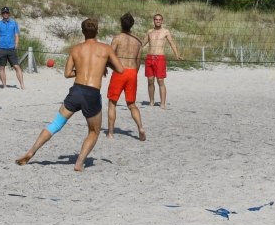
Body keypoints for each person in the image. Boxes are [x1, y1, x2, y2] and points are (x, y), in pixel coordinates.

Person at [16, 18, 124, 171]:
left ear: (82, 32)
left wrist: (82, 70)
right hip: (91, 93)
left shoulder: (75, 49)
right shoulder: (106, 49)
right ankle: (79, 163)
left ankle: (31, 151)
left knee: (56, 124)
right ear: (97, 31)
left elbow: (67, 73)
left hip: (76, 91)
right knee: (94, 131)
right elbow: (120, 69)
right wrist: (103, 64)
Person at [106, 12, 147, 141]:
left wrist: (108, 67)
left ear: (121, 23)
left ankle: (111, 133)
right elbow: (138, 60)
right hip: (132, 72)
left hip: (120, 71)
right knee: (132, 104)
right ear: (132, 25)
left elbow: (109, 56)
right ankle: (140, 127)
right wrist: (134, 73)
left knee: (112, 103)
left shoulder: (117, 38)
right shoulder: (138, 41)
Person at [143, 13, 181, 108]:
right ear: (154, 20)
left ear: (162, 21)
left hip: (160, 58)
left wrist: (177, 55)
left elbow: (172, 43)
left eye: (160, 19)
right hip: (149, 57)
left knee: (160, 81)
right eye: (156, 19)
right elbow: (142, 44)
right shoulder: (150, 32)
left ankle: (162, 103)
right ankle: (151, 102)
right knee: (150, 81)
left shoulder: (166, 31)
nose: (158, 21)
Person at [0, 7, 24, 89]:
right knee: (2, 67)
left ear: (9, 14)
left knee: (16, 66)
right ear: (1, 14)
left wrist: (16, 45)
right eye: (4, 13)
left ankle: (22, 85)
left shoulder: (14, 23)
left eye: (7, 13)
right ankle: (4, 85)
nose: (5, 14)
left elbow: (16, 35)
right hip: (1, 49)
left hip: (11, 49)